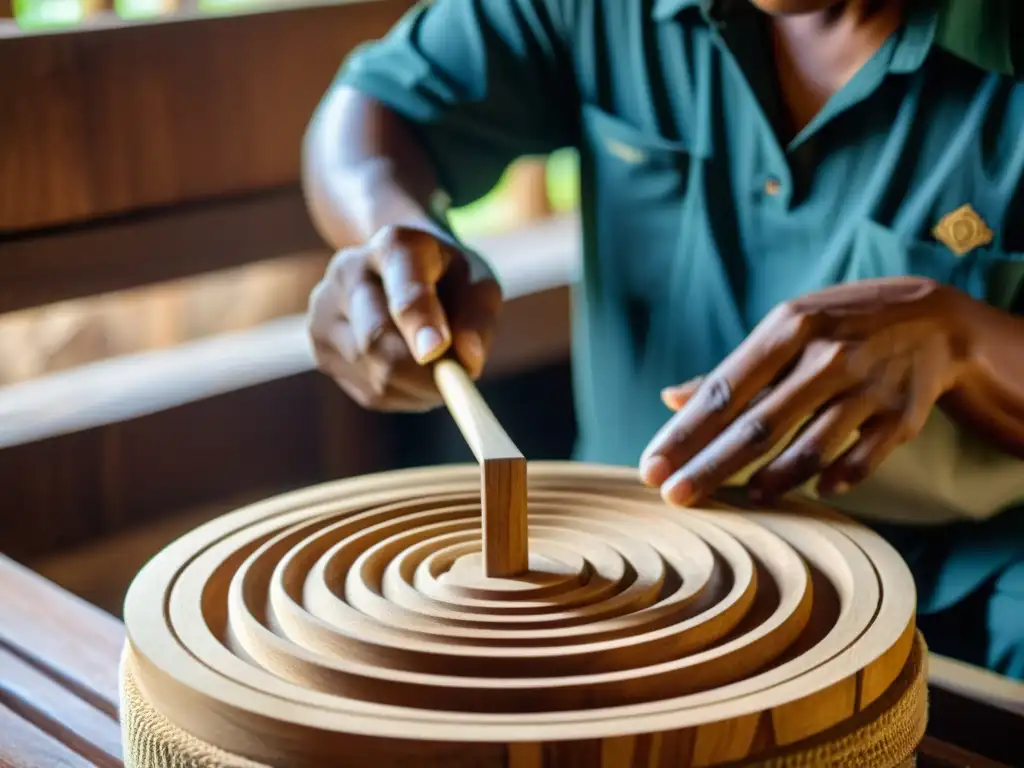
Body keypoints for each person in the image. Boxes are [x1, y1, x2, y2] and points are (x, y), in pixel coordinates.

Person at [302, 0, 1024, 679]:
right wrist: (391, 236)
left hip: (975, 598)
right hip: (623, 562)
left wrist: (966, 340)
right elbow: (375, 109)